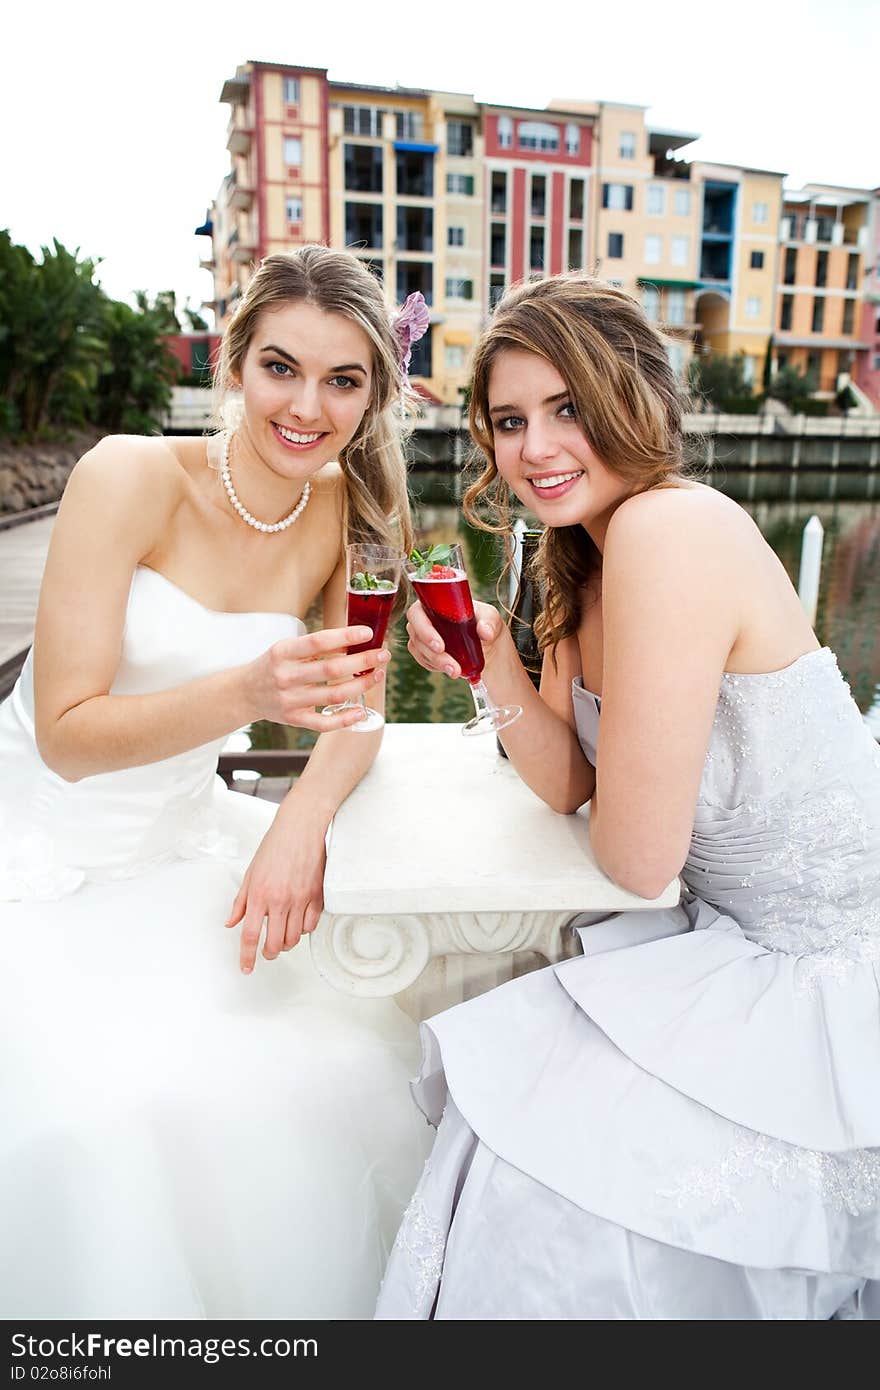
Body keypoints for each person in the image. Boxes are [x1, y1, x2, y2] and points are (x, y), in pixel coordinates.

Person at [377, 272, 880, 1320]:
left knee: (552, 1187)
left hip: (830, 971)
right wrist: (486, 664)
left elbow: (637, 856)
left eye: (566, 407)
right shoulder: (581, 567)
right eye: (509, 421)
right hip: (740, 945)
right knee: (515, 1132)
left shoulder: (669, 529)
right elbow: (567, 778)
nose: (535, 447)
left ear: (636, 400)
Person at [0, 245, 432, 1319]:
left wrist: (302, 816)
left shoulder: (344, 508)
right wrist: (249, 685)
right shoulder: (128, 476)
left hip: (189, 840)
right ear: (235, 362)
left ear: (375, 392)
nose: (307, 406)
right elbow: (66, 733)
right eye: (280, 367)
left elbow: (356, 709)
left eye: (344, 380)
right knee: (98, 1117)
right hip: (43, 843)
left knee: (338, 1067)